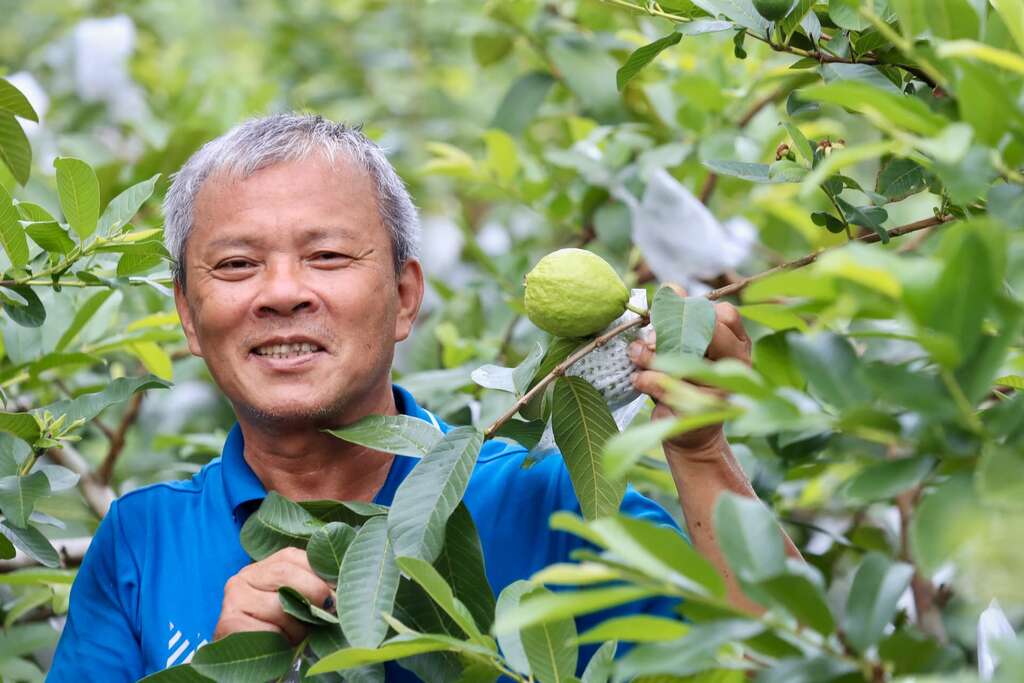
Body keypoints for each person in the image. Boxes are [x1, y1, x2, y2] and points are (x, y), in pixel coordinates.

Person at [47, 114, 794, 681]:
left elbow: (786, 657)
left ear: (405, 297)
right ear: (187, 311)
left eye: (328, 256)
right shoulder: (138, 540)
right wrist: (228, 663)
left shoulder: (554, 499)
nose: (281, 293)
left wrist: (701, 451)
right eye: (237, 264)